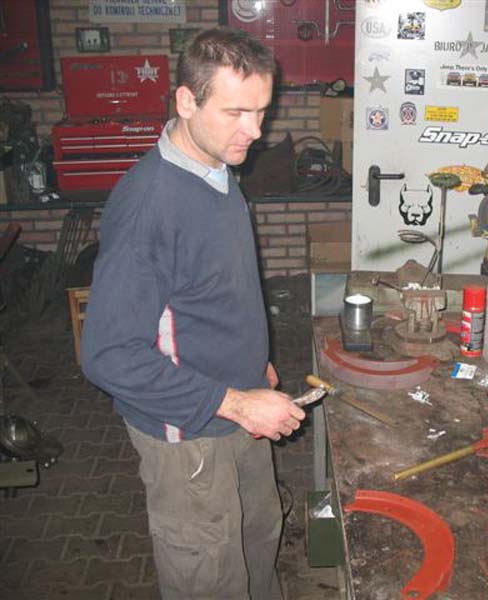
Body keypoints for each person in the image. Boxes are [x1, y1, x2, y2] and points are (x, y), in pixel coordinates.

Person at [81, 27, 305, 600]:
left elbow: (218, 288)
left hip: (239, 405)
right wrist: (238, 402)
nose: (255, 131)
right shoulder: (150, 207)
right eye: (236, 112)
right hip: (188, 437)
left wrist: (255, 365)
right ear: (186, 101)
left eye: (261, 111)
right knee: (211, 575)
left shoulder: (216, 168)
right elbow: (108, 356)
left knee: (258, 541)